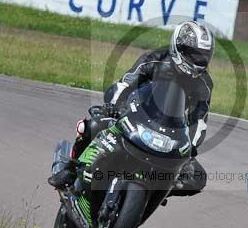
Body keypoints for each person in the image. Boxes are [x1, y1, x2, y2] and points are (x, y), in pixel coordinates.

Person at [49, 20, 215, 197]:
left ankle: (155, 191)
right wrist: (112, 107)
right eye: (193, 54)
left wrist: (192, 146)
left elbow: (199, 120)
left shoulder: (204, 84)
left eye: (203, 56)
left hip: (169, 131)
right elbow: (125, 83)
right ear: (178, 47)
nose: (198, 60)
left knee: (197, 178)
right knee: (95, 124)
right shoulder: (155, 59)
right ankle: (71, 169)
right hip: (134, 115)